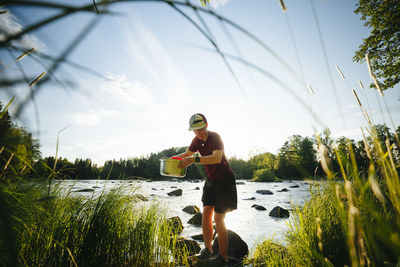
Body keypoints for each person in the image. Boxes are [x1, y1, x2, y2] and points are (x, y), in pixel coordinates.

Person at [174, 113, 237, 266]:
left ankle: (223, 258)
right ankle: (208, 249)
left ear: (206, 125)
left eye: (200, 129)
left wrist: (194, 160)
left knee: (218, 219)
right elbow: (187, 154)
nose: (198, 132)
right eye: (195, 130)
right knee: (206, 213)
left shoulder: (215, 137)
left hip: (225, 182)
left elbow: (216, 158)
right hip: (211, 181)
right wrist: (171, 160)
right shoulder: (196, 140)